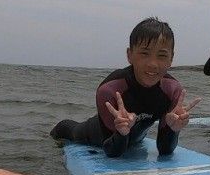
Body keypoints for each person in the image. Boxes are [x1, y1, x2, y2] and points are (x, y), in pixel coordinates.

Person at [50, 17, 200, 157]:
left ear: (171, 59)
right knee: (69, 130)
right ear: (130, 55)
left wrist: (173, 130)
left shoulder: (173, 91)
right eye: (144, 53)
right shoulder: (110, 89)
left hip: (135, 139)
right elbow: (112, 152)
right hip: (93, 136)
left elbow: (165, 150)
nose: (153, 64)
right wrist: (121, 132)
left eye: (161, 55)